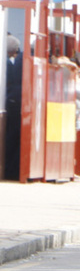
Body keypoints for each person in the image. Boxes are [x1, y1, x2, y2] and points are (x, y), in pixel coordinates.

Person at [4, 34, 23, 181]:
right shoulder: (12, 63)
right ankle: (12, 170)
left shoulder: (11, 63)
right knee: (14, 138)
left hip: (9, 102)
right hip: (16, 102)